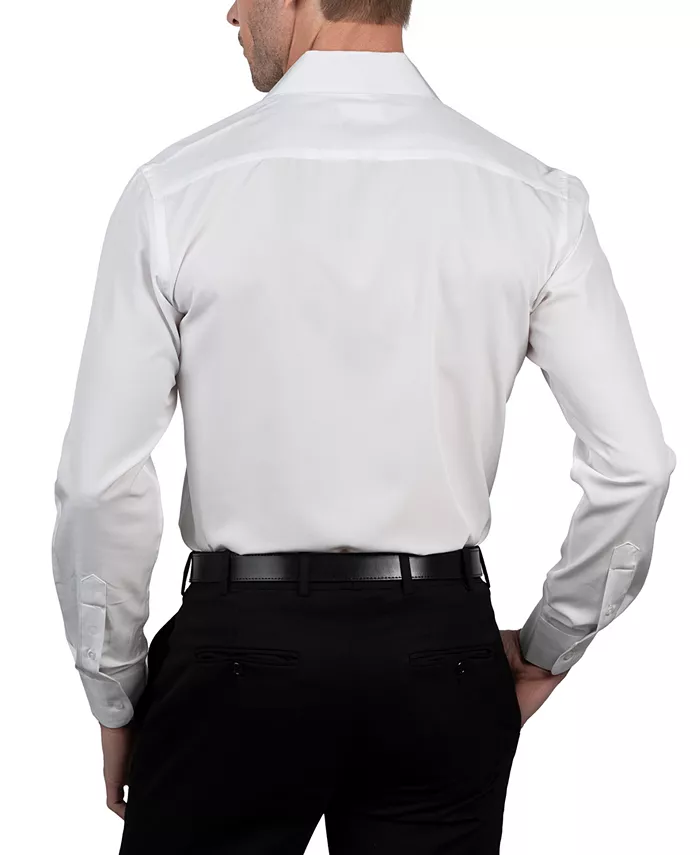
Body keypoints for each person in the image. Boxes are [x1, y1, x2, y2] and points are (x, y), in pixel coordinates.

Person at [50, 1, 676, 853]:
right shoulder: (533, 197)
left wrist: (115, 690)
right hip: (442, 652)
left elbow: (99, 483)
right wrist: (550, 644)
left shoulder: (177, 191)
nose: (231, 11)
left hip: (237, 653)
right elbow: (635, 464)